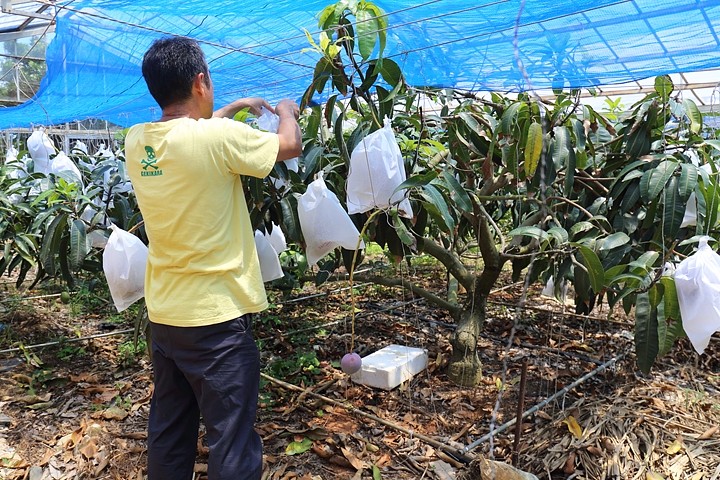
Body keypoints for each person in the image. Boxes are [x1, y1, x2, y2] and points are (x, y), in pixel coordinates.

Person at [125, 36, 301, 480]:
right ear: (201, 81)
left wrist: (236, 104)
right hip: (215, 320)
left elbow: (191, 132)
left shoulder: (137, 142)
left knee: (169, 429)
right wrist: (286, 111)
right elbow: (289, 146)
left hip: (165, 316)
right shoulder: (218, 139)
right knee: (231, 439)